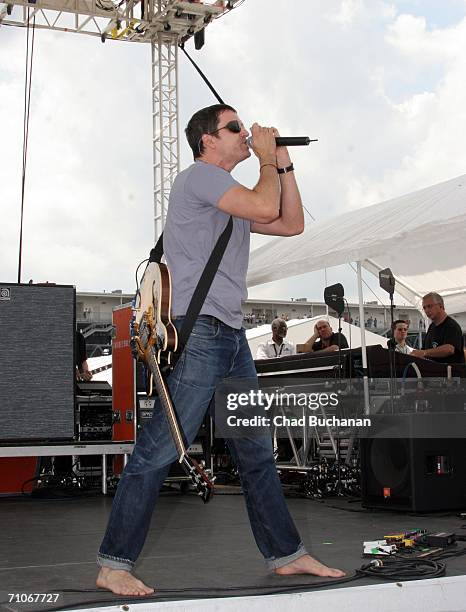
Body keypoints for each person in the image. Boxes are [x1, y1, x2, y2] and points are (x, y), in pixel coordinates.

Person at [96, 104, 345, 596]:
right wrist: (268, 161)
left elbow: (289, 222)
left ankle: (285, 555)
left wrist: (283, 164)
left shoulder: (230, 199)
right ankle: (113, 563)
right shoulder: (200, 179)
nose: (243, 133)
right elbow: (261, 204)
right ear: (208, 141)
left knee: (255, 452)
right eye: (235, 128)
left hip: (229, 335)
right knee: (160, 447)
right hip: (203, 332)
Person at [411, 292, 465, 363]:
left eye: (429, 306)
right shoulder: (431, 327)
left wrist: (424, 352)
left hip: (450, 372)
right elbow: (425, 349)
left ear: (441, 306)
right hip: (432, 371)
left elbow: (449, 349)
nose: (426, 310)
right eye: (424, 308)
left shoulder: (451, 326)